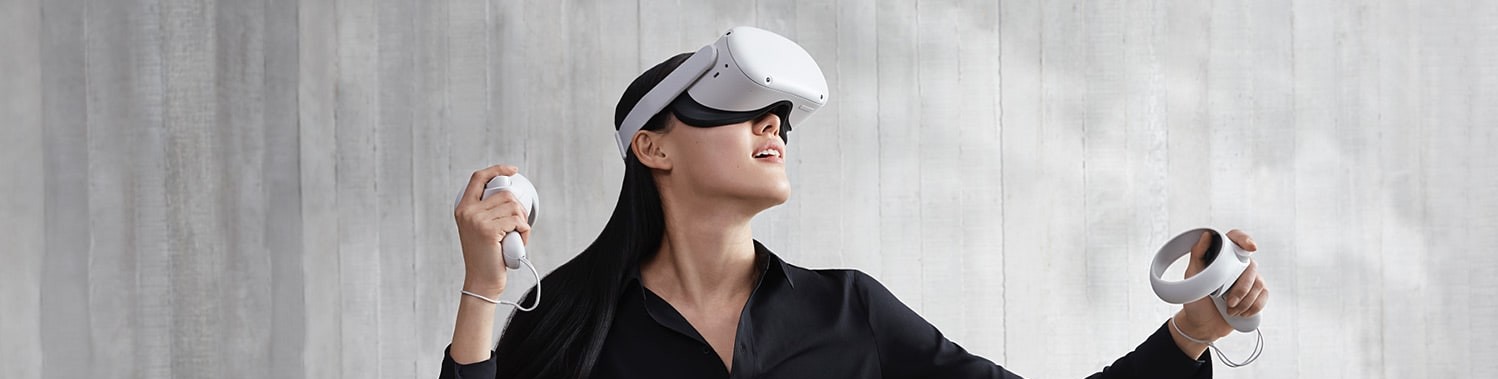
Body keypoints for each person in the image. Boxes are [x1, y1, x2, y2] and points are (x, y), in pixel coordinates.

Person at [440, 35, 1268, 379]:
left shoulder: (852, 311)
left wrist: (1189, 334)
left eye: (781, 117)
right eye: (736, 105)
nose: (773, 126)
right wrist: (483, 292)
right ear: (652, 146)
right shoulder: (578, 325)